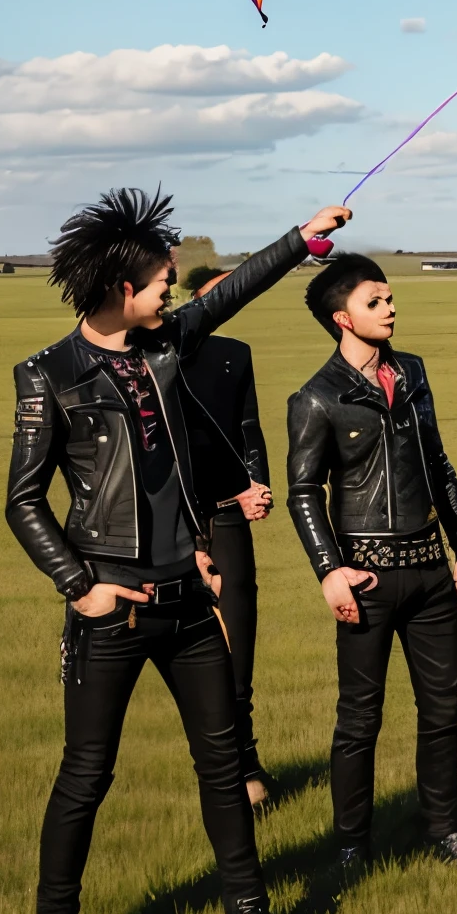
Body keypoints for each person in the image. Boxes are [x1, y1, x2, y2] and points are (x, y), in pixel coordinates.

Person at [5, 185, 351, 914]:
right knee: (86, 777)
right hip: (111, 613)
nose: (174, 290)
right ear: (123, 291)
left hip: (191, 602)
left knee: (224, 764)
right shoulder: (48, 376)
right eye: (162, 281)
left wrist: (303, 236)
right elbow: (23, 501)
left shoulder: (166, 344)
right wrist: (79, 586)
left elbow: (232, 291)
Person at [286, 253, 457, 873]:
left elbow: (439, 464)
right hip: (366, 577)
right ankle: (353, 847)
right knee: (360, 719)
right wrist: (329, 569)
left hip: (432, 571)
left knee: (443, 709)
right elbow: (303, 492)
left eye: (389, 299)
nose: (390, 309)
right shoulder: (315, 398)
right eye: (375, 302)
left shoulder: (411, 372)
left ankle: (445, 831)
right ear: (342, 318)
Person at [182, 280, 276, 809]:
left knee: (239, 638)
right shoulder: (158, 351)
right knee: (194, 649)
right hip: (176, 522)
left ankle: (246, 759)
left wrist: (256, 484)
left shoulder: (235, 354)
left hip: (230, 516)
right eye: (214, 295)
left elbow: (249, 428)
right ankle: (219, 762)